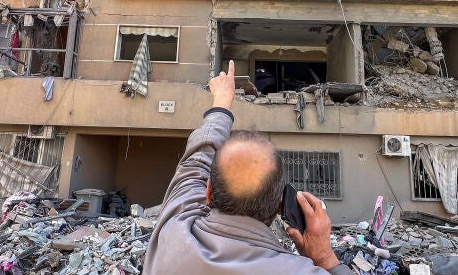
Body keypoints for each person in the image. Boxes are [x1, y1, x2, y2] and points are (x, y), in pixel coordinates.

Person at [143, 61, 353, 275]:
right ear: (279, 205)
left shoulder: (173, 232)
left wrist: (221, 102)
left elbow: (196, 161)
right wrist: (325, 258)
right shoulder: (299, 271)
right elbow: (197, 161)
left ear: (208, 191)